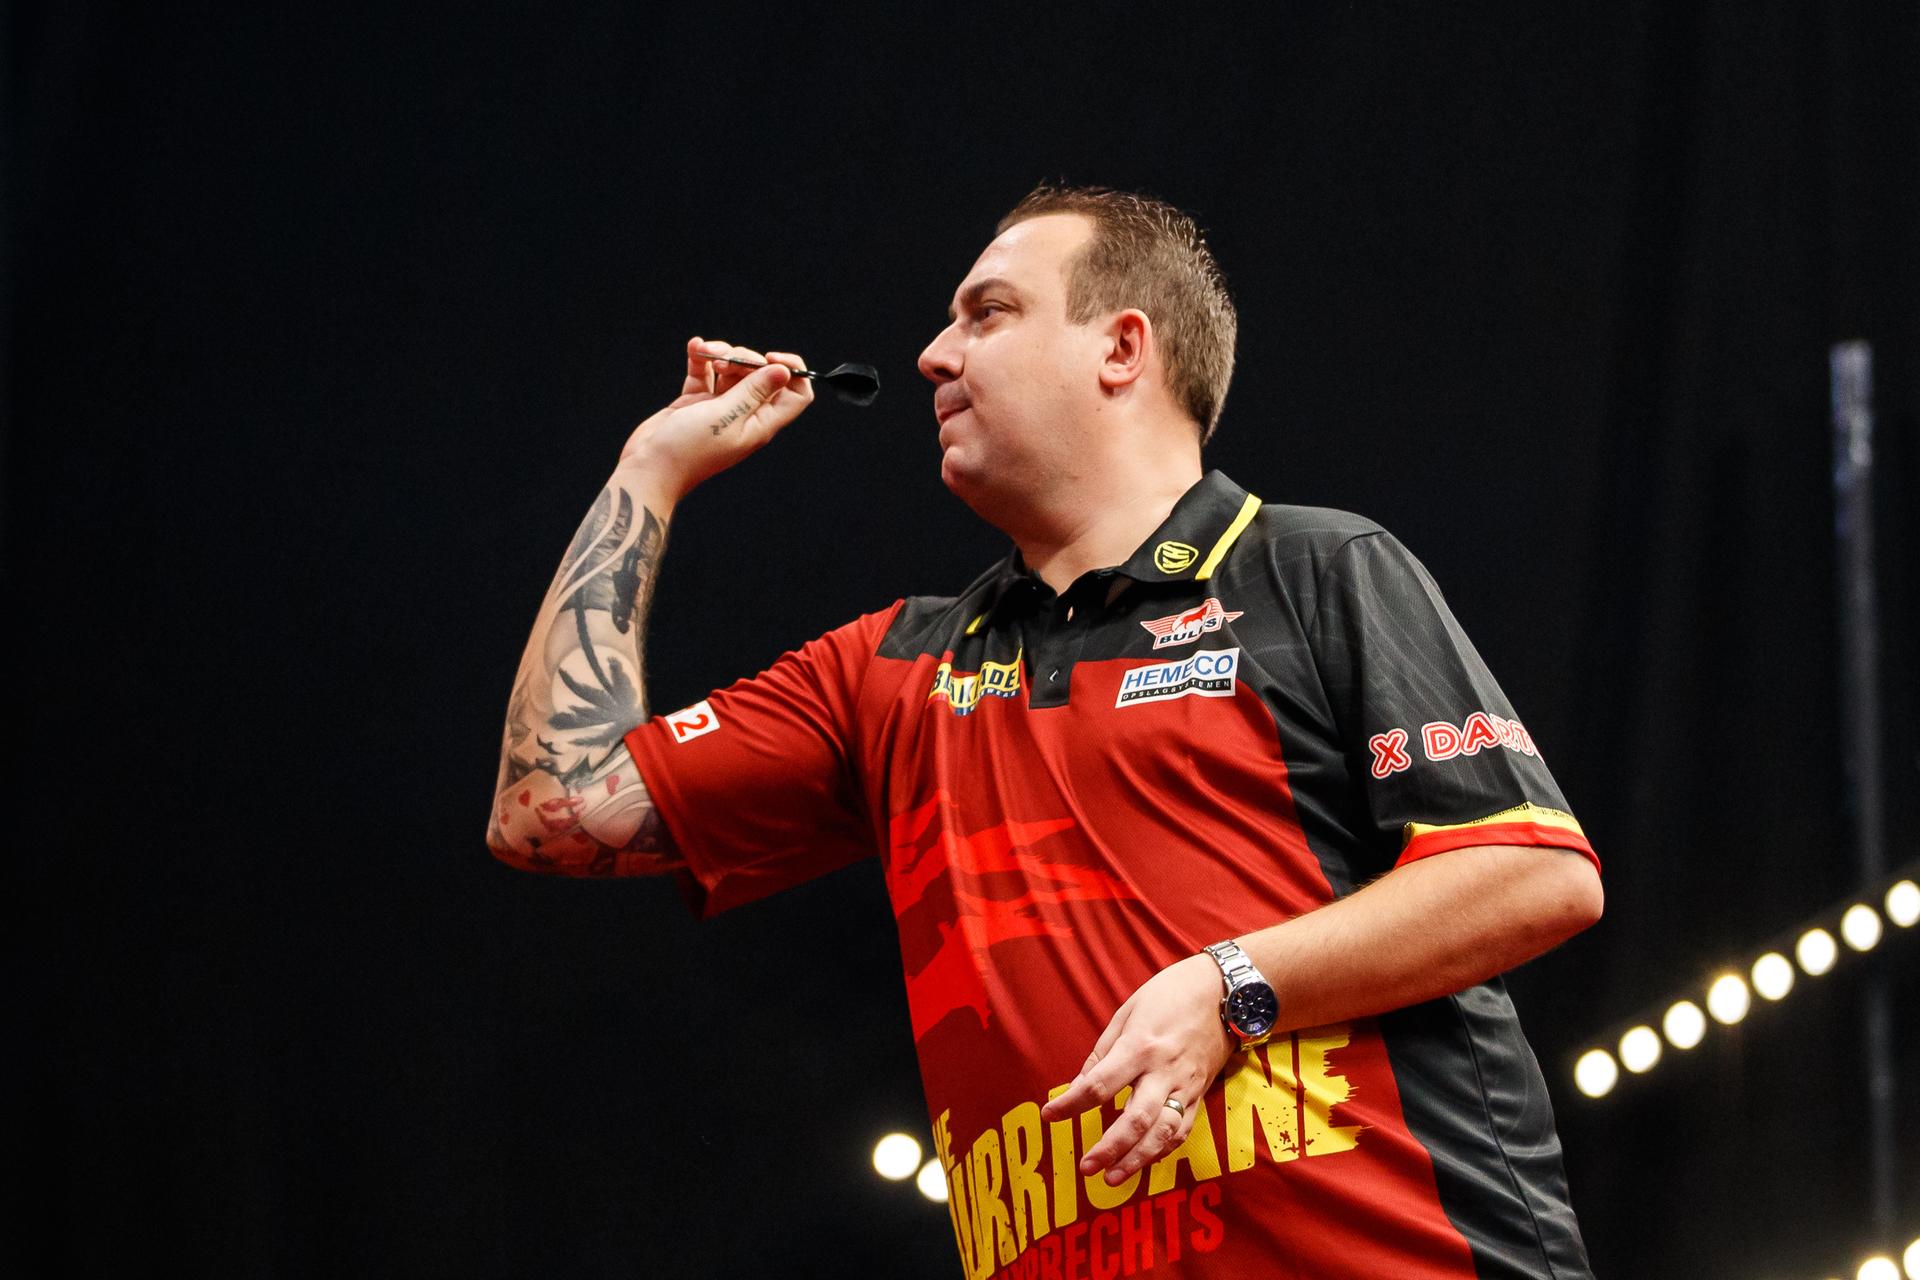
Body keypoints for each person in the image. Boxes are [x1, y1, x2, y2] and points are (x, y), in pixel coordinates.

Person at [486, 185, 1604, 1279]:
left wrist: (1231, 984)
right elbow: (551, 810)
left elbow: (1532, 873)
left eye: (988, 313)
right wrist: (650, 469)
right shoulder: (890, 672)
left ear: (1122, 348)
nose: (933, 354)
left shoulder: (1310, 568)